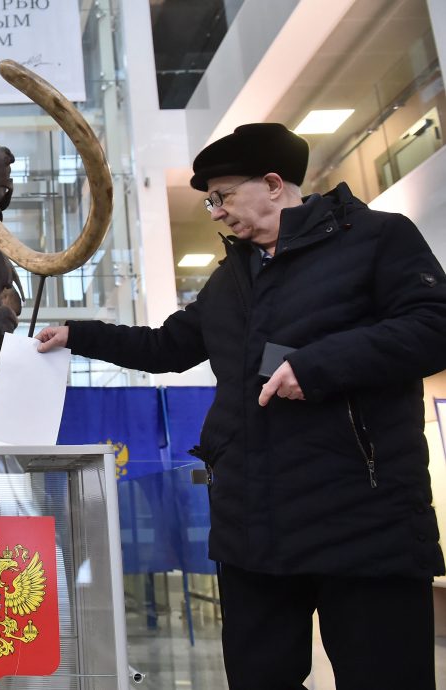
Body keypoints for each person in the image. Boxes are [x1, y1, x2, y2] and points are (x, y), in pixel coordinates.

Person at [36, 123, 446, 689]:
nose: (216, 212)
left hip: (364, 525)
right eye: (211, 201)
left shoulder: (378, 238)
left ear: (274, 184)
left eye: (222, 196)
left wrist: (319, 366)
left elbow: (433, 327)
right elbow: (167, 347)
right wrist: (78, 335)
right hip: (253, 532)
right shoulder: (232, 277)